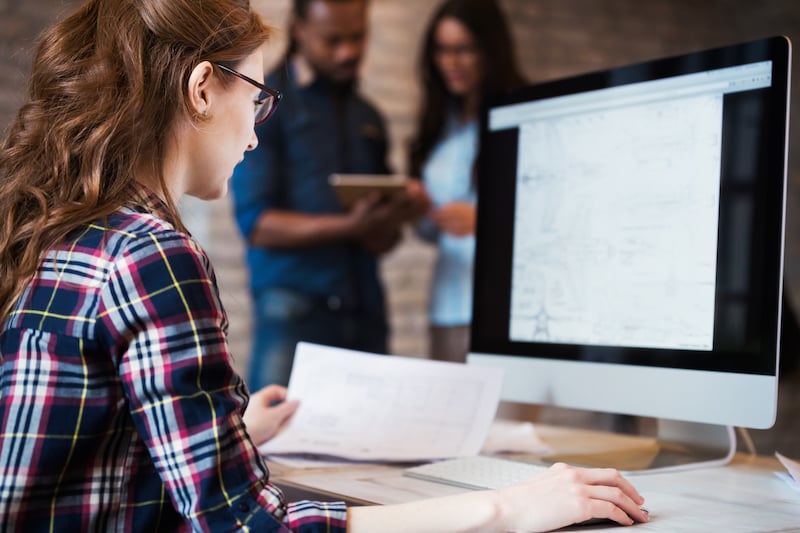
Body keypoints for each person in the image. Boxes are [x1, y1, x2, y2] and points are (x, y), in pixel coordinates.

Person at [0, 0, 649, 530]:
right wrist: (508, 506)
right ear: (201, 89)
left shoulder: (51, 231)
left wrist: (235, 434)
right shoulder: (149, 253)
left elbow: (84, 457)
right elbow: (251, 526)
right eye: (254, 97)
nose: (255, 133)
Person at [230, 0, 427, 390]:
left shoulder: (367, 115)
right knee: (274, 443)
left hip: (365, 314)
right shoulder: (266, 105)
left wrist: (401, 212)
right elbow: (258, 224)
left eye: (358, 37)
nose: (348, 52)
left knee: (373, 445)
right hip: (293, 313)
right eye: (332, 39)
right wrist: (351, 225)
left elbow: (380, 239)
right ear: (300, 29)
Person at [409, 0, 525, 362]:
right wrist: (419, 210)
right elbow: (433, 233)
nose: (451, 63)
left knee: (505, 420)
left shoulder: (521, 115)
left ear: (490, 49)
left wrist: (482, 221)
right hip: (448, 304)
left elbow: (556, 217)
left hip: (505, 309)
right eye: (442, 50)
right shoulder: (441, 124)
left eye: (464, 50)